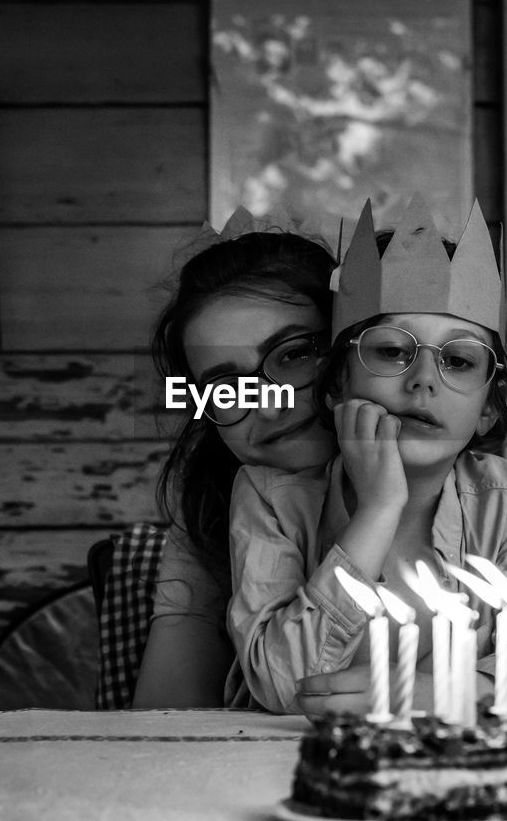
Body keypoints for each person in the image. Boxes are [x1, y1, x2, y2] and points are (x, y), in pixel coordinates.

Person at [227, 197, 507, 715]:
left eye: (459, 360)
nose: (423, 379)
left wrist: (449, 692)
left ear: (487, 409)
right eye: (392, 350)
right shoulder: (270, 499)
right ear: (335, 384)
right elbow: (286, 686)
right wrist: (377, 509)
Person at [131, 217, 337, 708]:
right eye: (225, 386)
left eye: (294, 355)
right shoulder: (215, 504)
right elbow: (166, 717)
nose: (267, 404)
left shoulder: (470, 492)